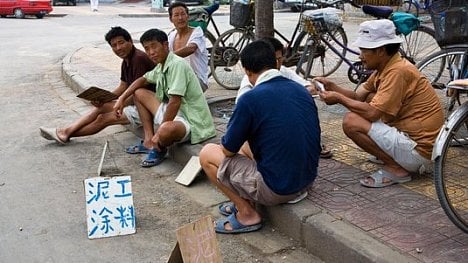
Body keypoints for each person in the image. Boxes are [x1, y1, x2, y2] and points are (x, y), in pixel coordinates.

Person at [199, 40, 321, 234]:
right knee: (246, 146)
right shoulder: (301, 90)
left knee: (207, 154)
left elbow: (228, 149)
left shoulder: (250, 98)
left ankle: (247, 213)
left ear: (247, 71)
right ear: (275, 63)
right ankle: (245, 199)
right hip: (307, 180)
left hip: (279, 189)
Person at [316, 19, 444, 188]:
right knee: (369, 97)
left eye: (364, 51)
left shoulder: (398, 71)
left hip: (419, 152)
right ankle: (394, 158)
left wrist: (339, 98)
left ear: (381, 51)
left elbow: (372, 113)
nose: (360, 56)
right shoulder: (386, 66)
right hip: (413, 142)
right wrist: (333, 87)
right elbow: (357, 96)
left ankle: (397, 168)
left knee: (351, 121)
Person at [113, 28, 216, 168]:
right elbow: (142, 80)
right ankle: (149, 140)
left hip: (190, 119)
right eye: (147, 48)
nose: (151, 52)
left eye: (154, 46)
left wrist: (160, 133)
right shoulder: (162, 65)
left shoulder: (177, 64)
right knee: (138, 92)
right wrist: (122, 99)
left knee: (165, 130)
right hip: (173, 111)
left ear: (165, 45)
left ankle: (158, 147)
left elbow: (175, 102)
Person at [39, 26, 155, 145]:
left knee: (103, 119)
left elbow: (138, 95)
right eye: (114, 45)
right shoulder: (126, 61)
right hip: (135, 103)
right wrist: (104, 98)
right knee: (101, 107)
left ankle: (65, 132)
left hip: (145, 108)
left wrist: (118, 103)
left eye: (121, 43)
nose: (118, 48)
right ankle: (65, 132)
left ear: (130, 41)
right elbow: (123, 86)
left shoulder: (138, 59)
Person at [235, 36, 333, 159]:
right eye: (274, 60)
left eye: (280, 59)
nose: (277, 64)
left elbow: (310, 89)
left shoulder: (284, 72)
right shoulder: (247, 91)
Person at [167, 2, 209, 92]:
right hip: (177, 78)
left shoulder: (197, 32)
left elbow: (191, 48)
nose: (180, 18)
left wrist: (167, 58)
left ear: (188, 16)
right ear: (171, 19)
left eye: (183, 14)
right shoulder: (171, 36)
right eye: (176, 15)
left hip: (197, 79)